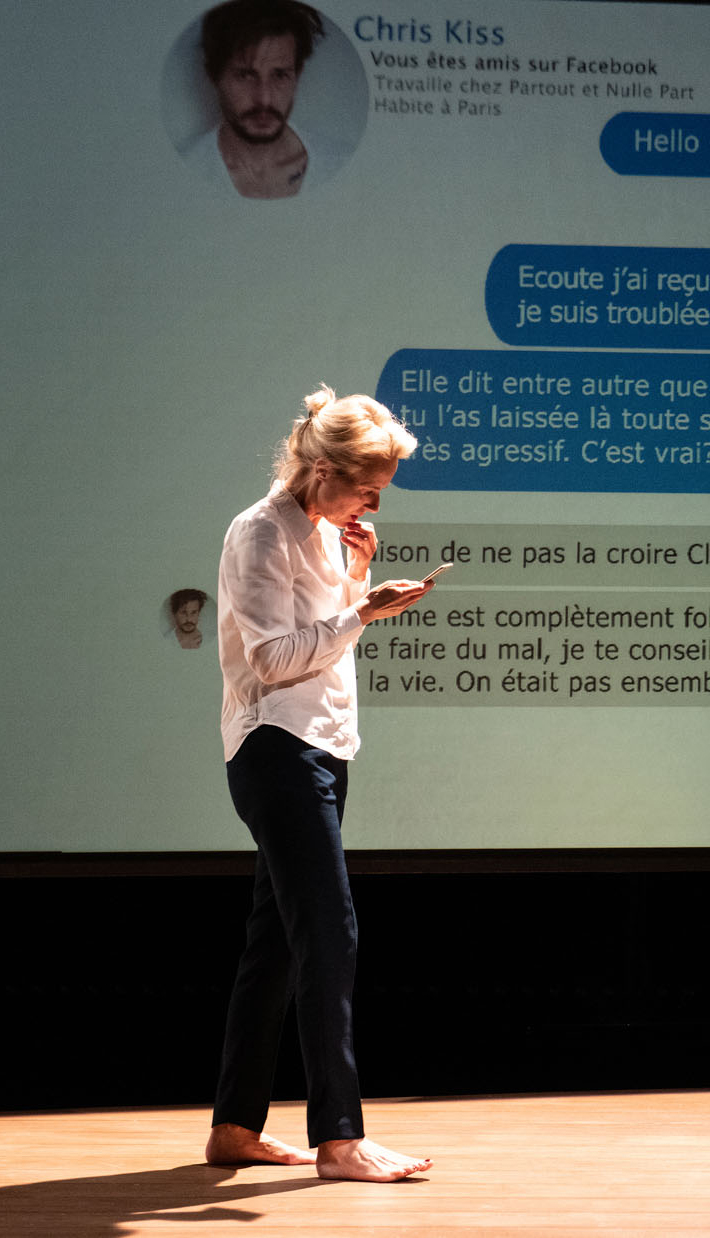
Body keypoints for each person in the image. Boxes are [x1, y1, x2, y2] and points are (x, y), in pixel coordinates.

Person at [205, 386, 434, 1181]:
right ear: (324, 469)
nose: (375, 503)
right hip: (275, 746)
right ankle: (340, 1138)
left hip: (323, 747)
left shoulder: (330, 536)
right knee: (329, 932)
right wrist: (361, 612)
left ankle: (234, 1127)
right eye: (368, 486)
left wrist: (355, 582)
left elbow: (320, 644)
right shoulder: (260, 531)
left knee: (275, 945)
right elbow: (274, 661)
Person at [185, 0, 344, 199]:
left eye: (280, 75)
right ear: (214, 76)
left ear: (297, 75)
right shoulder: (185, 170)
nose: (264, 99)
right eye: (245, 76)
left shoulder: (337, 162)